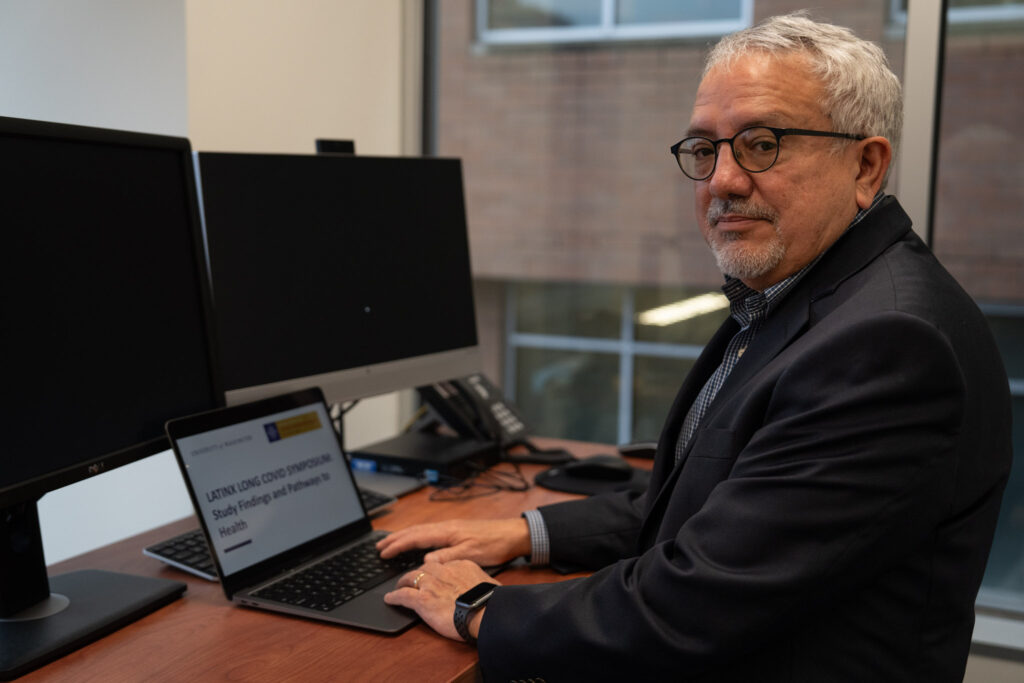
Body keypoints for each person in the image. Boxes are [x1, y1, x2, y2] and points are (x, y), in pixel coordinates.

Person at [379, 12, 1013, 682]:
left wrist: (483, 606)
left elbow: (691, 603)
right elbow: (715, 499)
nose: (724, 180)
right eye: (705, 149)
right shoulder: (800, 292)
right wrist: (528, 532)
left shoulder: (885, 345)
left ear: (866, 164)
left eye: (763, 144)